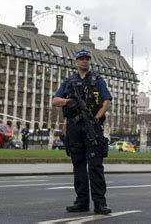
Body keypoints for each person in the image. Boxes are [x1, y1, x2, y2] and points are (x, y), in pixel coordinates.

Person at [52, 49, 112, 215]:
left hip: (91, 126)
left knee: (95, 166)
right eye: (81, 59)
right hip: (74, 128)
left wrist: (96, 118)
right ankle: (81, 202)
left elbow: (107, 102)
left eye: (87, 59)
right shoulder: (69, 81)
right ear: (76, 61)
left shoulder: (97, 80)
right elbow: (55, 100)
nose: (84, 61)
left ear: (90, 61)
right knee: (78, 166)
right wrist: (68, 101)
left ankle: (100, 204)